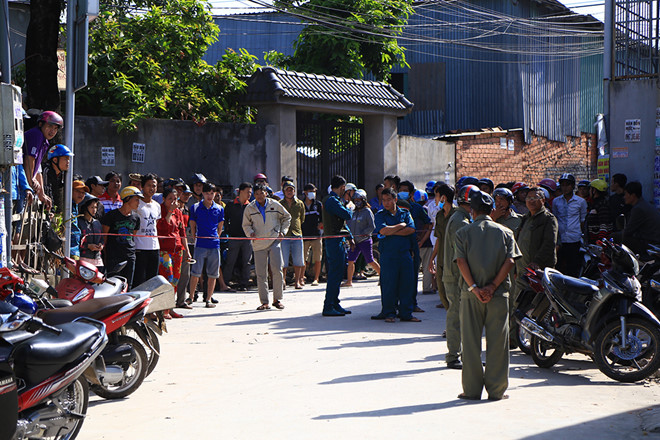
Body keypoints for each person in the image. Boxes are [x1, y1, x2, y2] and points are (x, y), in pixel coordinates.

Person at [455, 190, 521, 401]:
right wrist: (492, 287)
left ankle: (472, 390)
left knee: (470, 342)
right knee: (498, 342)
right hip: (498, 294)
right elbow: (510, 261)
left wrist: (475, 288)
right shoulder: (505, 232)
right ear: (491, 209)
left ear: (472, 211)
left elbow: (461, 262)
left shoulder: (463, 232)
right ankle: (496, 390)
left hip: (471, 295)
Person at [371, 188, 420, 323]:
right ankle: (389, 313)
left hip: (404, 254)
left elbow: (410, 229)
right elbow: (383, 230)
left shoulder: (405, 213)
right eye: (384, 200)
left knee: (406, 284)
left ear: (395, 200)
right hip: (388, 255)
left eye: (389, 200)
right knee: (388, 285)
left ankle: (406, 313)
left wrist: (391, 231)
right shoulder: (380, 215)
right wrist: (400, 226)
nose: (386, 203)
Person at [443, 184, 478, 370]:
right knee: (456, 316)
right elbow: (462, 254)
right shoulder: (460, 221)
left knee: (462, 317)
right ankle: (453, 356)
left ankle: (464, 355)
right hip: (456, 275)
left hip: (456, 274)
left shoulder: (460, 217)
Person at [242, 183, 291, 310]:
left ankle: (277, 299)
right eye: (256, 194)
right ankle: (264, 302)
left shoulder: (274, 204)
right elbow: (245, 224)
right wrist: (250, 233)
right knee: (261, 273)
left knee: (277, 270)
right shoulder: (250, 208)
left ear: (266, 193)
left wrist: (283, 232)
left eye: (261, 193)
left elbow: (287, 217)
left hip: (274, 240)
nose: (259, 196)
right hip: (258, 243)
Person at [514, 187, 558, 296]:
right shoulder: (525, 218)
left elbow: (549, 244)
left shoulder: (548, 219)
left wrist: (537, 262)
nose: (531, 200)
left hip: (537, 272)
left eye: (535, 198)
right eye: (529, 198)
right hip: (521, 271)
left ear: (543, 200)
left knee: (535, 301)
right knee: (518, 301)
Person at [322, 175, 354, 317]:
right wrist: (350, 207)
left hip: (338, 239)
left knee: (339, 272)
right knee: (335, 274)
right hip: (334, 241)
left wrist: (350, 237)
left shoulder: (334, 200)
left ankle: (335, 303)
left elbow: (342, 223)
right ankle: (328, 305)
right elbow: (347, 215)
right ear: (342, 187)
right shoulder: (332, 201)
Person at [188, 182, 224, 308]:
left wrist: (216, 237)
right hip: (200, 244)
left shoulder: (219, 208)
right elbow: (192, 224)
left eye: (212, 193)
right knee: (195, 273)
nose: (209, 196)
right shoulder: (195, 207)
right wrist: (195, 237)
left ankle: (208, 299)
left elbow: (220, 226)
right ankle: (191, 297)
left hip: (214, 245)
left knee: (213, 274)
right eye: (207, 193)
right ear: (202, 193)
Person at [157, 187, 191, 318]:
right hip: (164, 249)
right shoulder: (160, 209)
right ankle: (163, 309)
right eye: (170, 199)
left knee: (176, 280)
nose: (173, 202)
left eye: (175, 199)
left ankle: (170, 308)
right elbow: (162, 227)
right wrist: (169, 212)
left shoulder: (179, 212)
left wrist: (187, 251)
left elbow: (182, 233)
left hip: (178, 249)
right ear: (164, 199)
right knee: (167, 278)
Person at [101, 186, 142, 287]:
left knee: (128, 284)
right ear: (127, 198)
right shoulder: (111, 216)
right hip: (114, 256)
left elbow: (133, 235)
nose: (138, 203)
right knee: (112, 284)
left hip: (130, 255)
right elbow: (104, 237)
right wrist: (105, 255)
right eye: (136, 199)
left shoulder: (136, 218)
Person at [23, 110, 63, 210]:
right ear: (40, 124)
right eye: (50, 126)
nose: (52, 131)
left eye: (55, 128)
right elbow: (29, 158)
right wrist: (30, 181)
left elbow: (38, 169)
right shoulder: (37, 134)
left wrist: (42, 194)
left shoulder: (44, 140)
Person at [552, 173, 587, 277]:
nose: (565, 188)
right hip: (560, 239)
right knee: (559, 267)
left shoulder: (581, 202)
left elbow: (583, 220)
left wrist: (578, 232)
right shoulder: (556, 201)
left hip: (574, 239)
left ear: (572, 186)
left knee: (573, 267)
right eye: (562, 185)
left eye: (567, 185)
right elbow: (555, 219)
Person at [429, 184, 456, 314]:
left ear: (443, 198)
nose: (435, 199)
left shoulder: (458, 215)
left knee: (454, 293)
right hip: (441, 258)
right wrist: (432, 258)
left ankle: (455, 321)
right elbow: (438, 239)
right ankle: (451, 317)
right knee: (442, 291)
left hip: (454, 259)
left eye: (436, 196)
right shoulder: (439, 215)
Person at [344, 190, 380, 286]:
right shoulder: (353, 212)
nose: (357, 202)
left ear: (363, 200)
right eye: (355, 200)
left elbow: (372, 226)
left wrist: (363, 233)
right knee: (351, 261)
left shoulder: (367, 211)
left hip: (365, 240)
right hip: (354, 242)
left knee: (370, 260)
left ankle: (383, 277)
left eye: (359, 200)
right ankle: (349, 281)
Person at [223, 182, 253, 291]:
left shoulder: (251, 206)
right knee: (230, 260)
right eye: (247, 192)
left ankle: (244, 283)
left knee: (247, 261)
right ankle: (225, 282)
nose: (249, 194)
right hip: (234, 237)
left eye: (250, 192)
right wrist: (228, 229)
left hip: (247, 238)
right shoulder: (231, 205)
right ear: (240, 191)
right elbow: (225, 219)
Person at [133, 173, 161, 287]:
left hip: (154, 247)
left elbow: (155, 224)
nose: (152, 188)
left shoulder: (157, 206)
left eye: (154, 186)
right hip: (140, 247)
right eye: (149, 185)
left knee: (152, 280)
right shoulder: (137, 204)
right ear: (142, 186)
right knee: (139, 280)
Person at [618, 181, 660, 255]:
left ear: (633, 195)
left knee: (617, 237)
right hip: (653, 240)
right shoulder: (645, 205)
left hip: (650, 243)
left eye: (626, 194)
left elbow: (628, 231)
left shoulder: (638, 209)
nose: (624, 197)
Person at [279, 181, 306, 289]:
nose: (289, 192)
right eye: (287, 190)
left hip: (297, 234)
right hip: (284, 235)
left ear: (294, 191)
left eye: (291, 190)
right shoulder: (280, 204)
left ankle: (297, 281)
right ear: (284, 191)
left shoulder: (300, 203)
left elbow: (302, 218)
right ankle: (283, 281)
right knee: (283, 261)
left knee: (298, 260)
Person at [302, 183, 323, 286]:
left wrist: (321, 225)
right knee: (302, 259)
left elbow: (322, 218)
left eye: (314, 191)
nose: (313, 193)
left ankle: (316, 278)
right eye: (310, 191)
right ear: (305, 193)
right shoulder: (301, 204)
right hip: (304, 235)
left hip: (316, 235)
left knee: (317, 258)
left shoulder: (318, 204)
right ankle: (301, 277)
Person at [43, 144, 73, 214]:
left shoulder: (62, 174)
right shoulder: (46, 171)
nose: (68, 162)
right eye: (65, 159)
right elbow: (47, 190)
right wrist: (51, 210)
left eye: (68, 159)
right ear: (55, 160)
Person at [78, 193, 104, 272]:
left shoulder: (97, 223)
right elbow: (75, 242)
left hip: (97, 260)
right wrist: (88, 246)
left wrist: (101, 245)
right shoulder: (78, 222)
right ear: (85, 208)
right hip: (83, 260)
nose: (94, 210)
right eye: (92, 207)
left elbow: (101, 239)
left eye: (95, 207)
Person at [585, 179, 614, 243]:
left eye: (590, 189)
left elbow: (604, 224)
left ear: (594, 190)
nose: (589, 191)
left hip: (598, 242)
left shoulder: (602, 205)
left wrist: (600, 240)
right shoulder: (594, 204)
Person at [70, 180, 88, 258]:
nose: (81, 194)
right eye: (78, 191)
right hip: (69, 248)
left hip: (75, 249)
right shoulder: (68, 205)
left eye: (83, 193)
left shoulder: (76, 205)